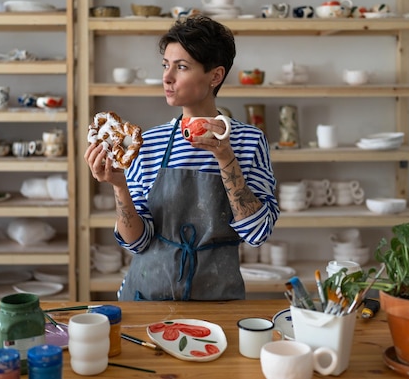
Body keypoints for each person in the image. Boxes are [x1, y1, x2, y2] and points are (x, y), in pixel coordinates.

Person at [84, 15, 279, 301]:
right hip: (148, 297)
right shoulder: (149, 142)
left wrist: (226, 158)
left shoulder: (249, 141)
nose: (167, 77)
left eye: (182, 67)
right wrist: (119, 186)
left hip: (218, 299)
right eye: (165, 65)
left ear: (215, 76)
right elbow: (137, 243)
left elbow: (258, 233)